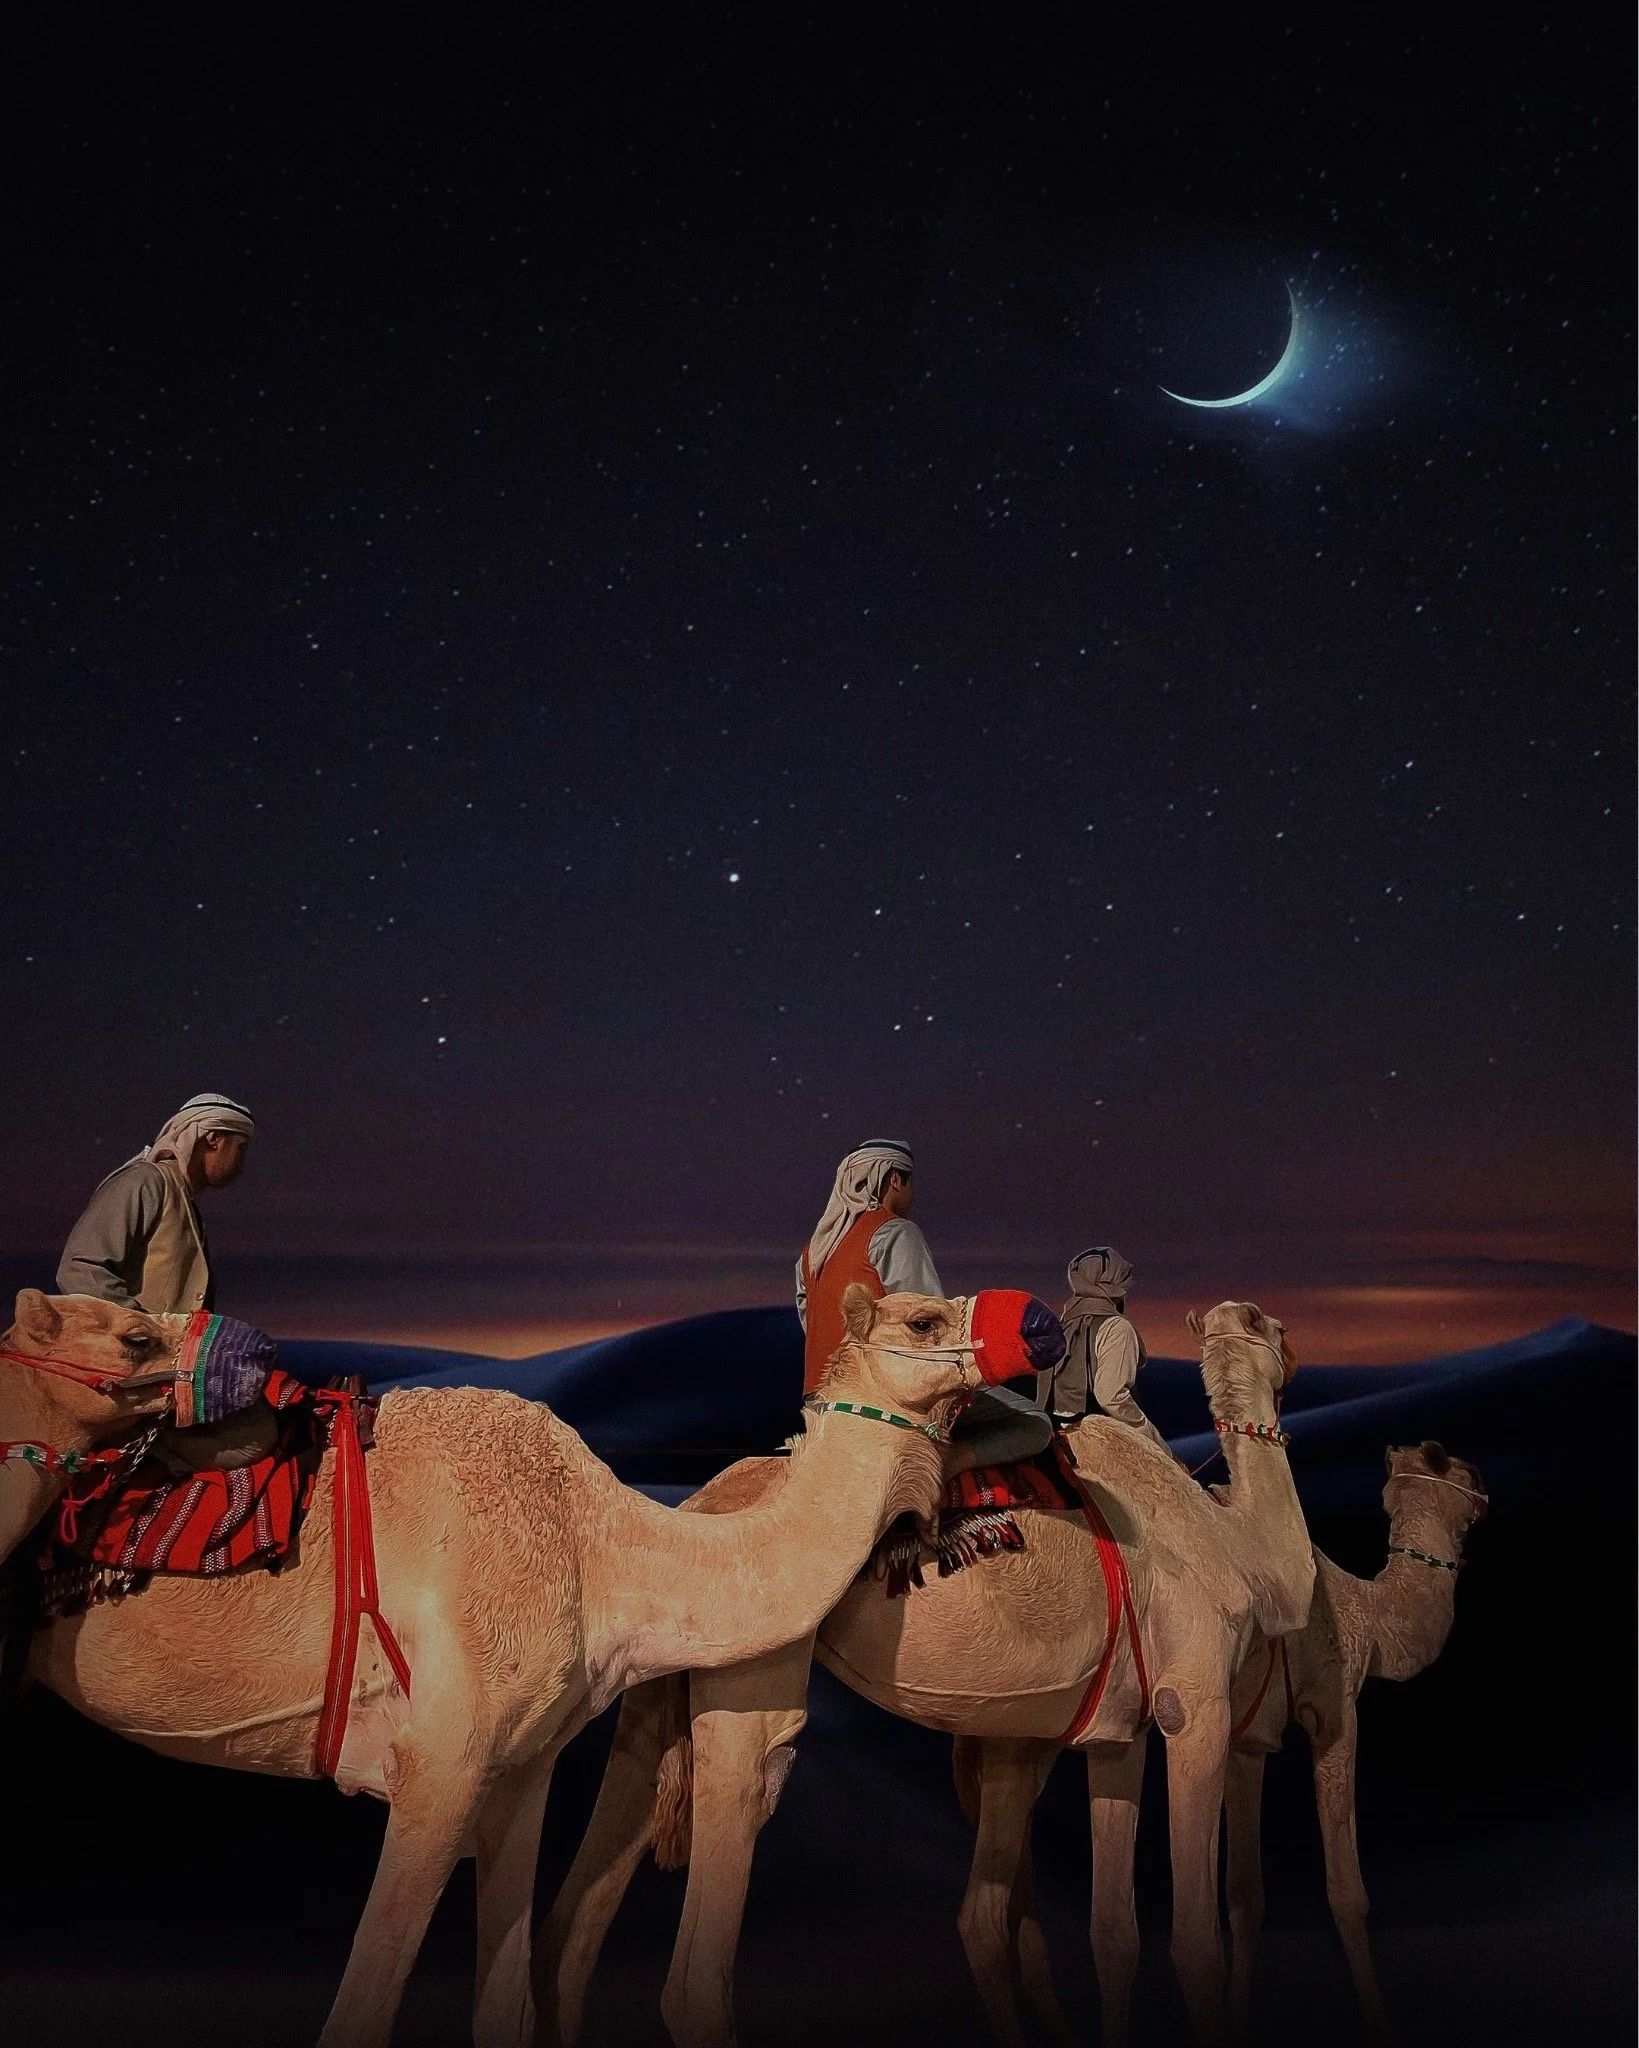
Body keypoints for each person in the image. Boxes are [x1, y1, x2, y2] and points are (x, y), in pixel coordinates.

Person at [797, 1139, 1052, 1469]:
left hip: (819, 1404)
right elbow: (929, 1326)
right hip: (884, 1400)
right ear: (894, 1180)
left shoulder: (812, 1253)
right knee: (1033, 1422)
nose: (911, 1195)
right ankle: (938, 1470)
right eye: (910, 1183)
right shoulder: (894, 1233)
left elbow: (810, 1322)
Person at [57, 1093, 255, 1316]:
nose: (242, 1167)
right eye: (241, 1149)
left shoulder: (184, 1200)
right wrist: (144, 1330)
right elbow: (80, 1270)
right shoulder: (145, 1182)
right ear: (213, 1139)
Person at [1037, 1245, 1167, 1450]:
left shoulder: (1061, 1326)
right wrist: (1156, 1445)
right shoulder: (1117, 1328)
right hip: (1099, 1440)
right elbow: (1111, 1396)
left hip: (1052, 1438)